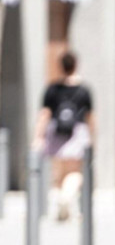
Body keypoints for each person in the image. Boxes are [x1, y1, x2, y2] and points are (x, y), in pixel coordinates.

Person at [32, 51, 95, 221]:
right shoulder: (83, 91)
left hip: (56, 132)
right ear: (76, 65)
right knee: (75, 171)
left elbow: (44, 114)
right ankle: (66, 199)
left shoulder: (52, 89)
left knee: (59, 172)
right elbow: (90, 117)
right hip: (77, 131)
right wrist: (92, 138)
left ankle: (62, 205)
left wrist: (38, 136)